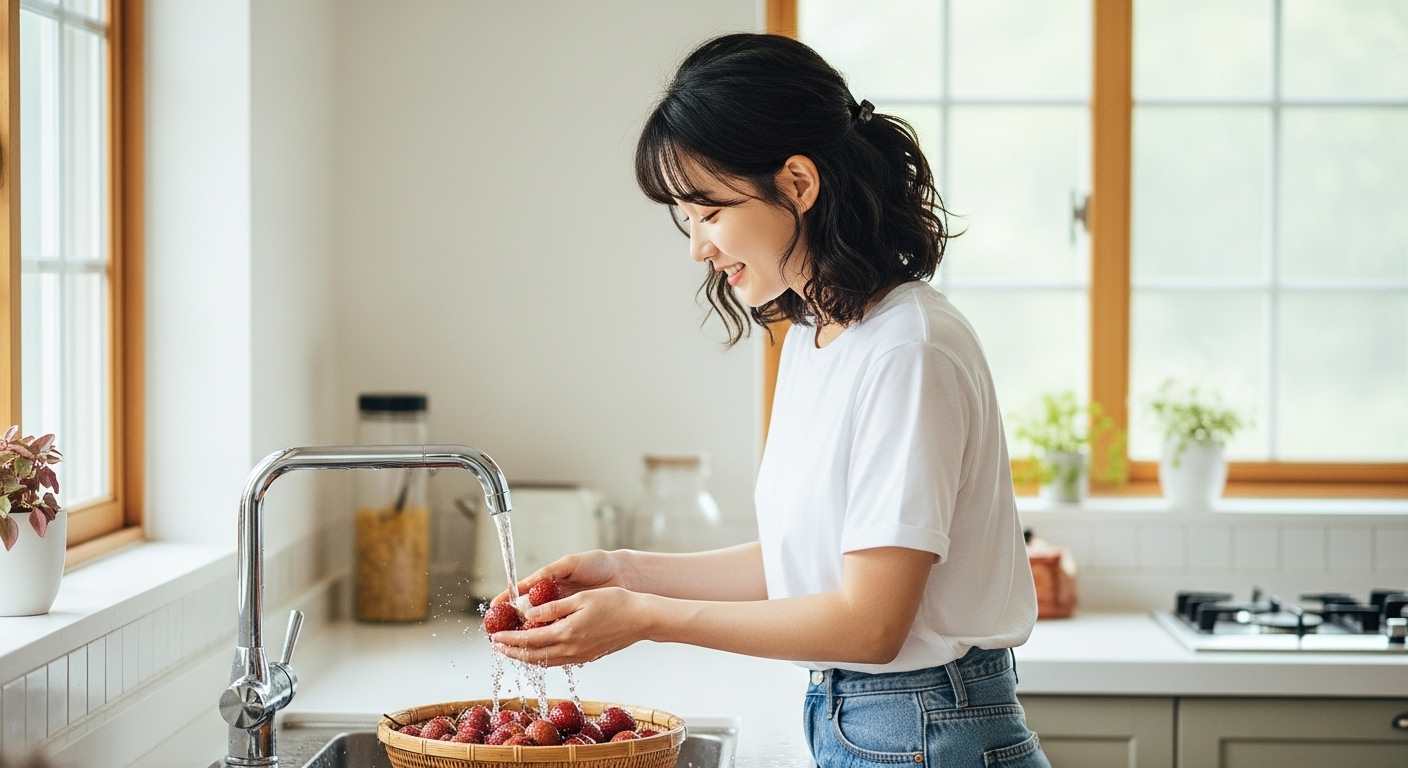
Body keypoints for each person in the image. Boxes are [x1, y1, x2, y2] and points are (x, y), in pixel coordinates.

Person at [491, 33, 1050, 768]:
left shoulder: (910, 348)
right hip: (874, 722)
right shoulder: (818, 336)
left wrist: (646, 618)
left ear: (797, 184)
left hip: (925, 730)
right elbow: (806, 559)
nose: (698, 247)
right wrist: (625, 571)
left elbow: (872, 623)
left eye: (709, 211)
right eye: (684, 218)